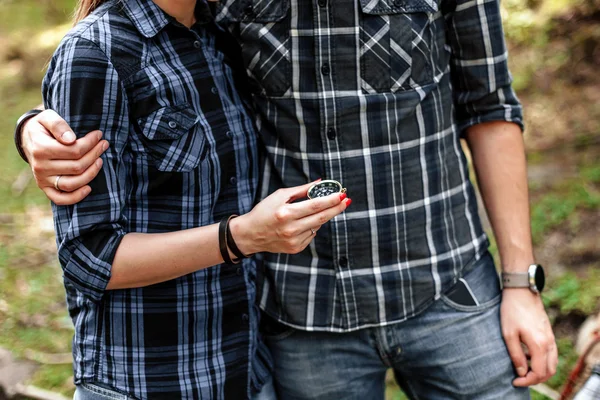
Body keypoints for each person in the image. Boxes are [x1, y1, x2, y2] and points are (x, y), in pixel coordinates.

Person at [16, 0, 558, 398]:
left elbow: (490, 107)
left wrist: (521, 284)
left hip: (449, 292)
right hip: (299, 318)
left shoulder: (200, 29)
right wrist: (40, 127)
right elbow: (123, 61)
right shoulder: (212, 12)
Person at [23, 0, 350, 399]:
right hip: (148, 380)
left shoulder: (217, 37)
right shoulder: (96, 51)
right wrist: (242, 237)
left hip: (243, 371)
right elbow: (90, 258)